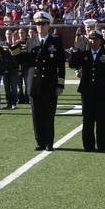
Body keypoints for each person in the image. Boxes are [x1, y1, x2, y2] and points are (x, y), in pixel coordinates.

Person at [70, 29, 105, 151]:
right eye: (91, 39)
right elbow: (72, 63)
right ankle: (88, 145)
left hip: (102, 91)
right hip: (87, 91)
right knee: (87, 118)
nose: (92, 41)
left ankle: (102, 145)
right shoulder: (84, 53)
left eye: (95, 39)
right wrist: (76, 49)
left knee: (101, 119)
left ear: (100, 40)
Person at [26, 11, 66, 150]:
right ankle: (39, 142)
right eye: (37, 24)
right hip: (34, 84)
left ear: (48, 25)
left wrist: (60, 84)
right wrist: (14, 48)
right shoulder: (30, 41)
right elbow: (23, 62)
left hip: (49, 84)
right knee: (36, 116)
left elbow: (61, 65)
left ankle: (49, 142)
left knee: (48, 116)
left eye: (43, 24)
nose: (40, 26)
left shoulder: (55, 42)